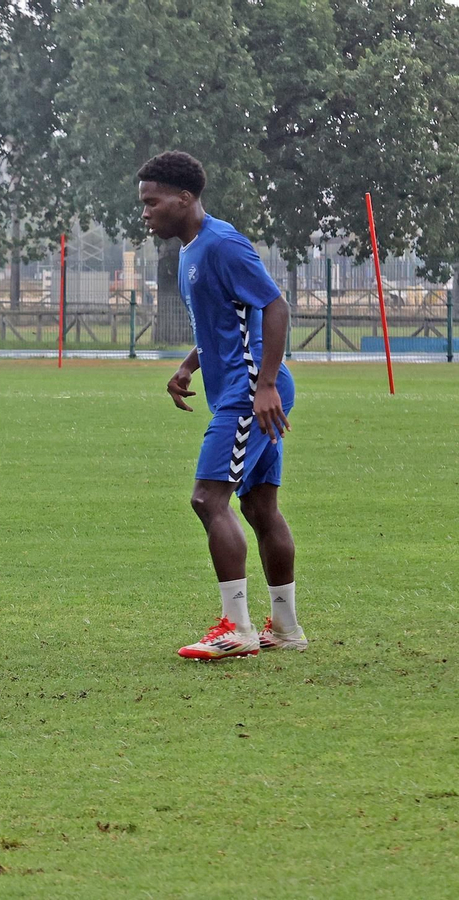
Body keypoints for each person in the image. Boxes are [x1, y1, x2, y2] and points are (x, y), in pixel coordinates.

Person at [137, 151, 305, 660]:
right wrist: (189, 366)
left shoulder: (222, 243)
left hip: (250, 391)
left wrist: (266, 385)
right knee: (259, 505)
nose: (145, 212)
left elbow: (274, 305)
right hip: (241, 386)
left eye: (152, 201)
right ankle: (286, 628)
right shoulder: (190, 251)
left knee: (208, 499)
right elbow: (221, 323)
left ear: (184, 198)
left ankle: (237, 628)